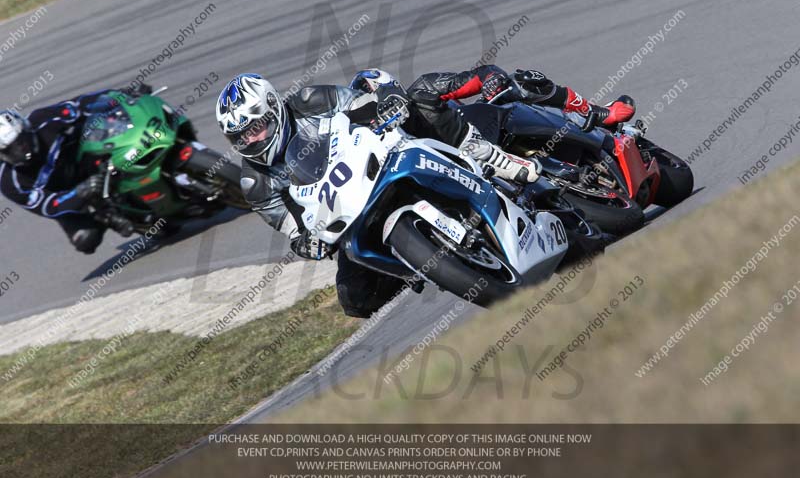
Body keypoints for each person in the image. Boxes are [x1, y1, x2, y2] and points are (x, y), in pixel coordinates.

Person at [215, 72, 539, 317]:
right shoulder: (255, 182)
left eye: (256, 128)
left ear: (274, 108)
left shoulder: (310, 101)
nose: (252, 140)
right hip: (347, 211)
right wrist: (306, 242)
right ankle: (418, 259)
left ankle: (490, 157)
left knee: (418, 107)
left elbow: (359, 103)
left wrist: (383, 108)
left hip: (378, 159)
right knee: (354, 298)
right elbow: (292, 226)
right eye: (241, 138)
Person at [0, 87, 149, 254]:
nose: (21, 150)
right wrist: (80, 192)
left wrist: (121, 96)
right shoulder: (10, 182)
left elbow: (79, 106)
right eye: (10, 150)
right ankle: (105, 217)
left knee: (104, 123)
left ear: (27, 129)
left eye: (21, 141)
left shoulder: (42, 119)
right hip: (67, 195)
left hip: (86, 160)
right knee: (85, 240)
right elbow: (48, 206)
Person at [352, 65, 636, 132]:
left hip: (484, 127)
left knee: (523, 80)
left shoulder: (421, 91)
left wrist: (491, 85)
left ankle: (594, 113)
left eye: (372, 97)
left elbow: (481, 74)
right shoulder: (370, 142)